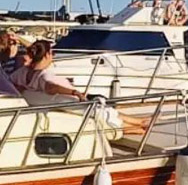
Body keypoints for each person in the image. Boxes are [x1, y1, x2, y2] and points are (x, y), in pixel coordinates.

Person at [10, 40, 148, 134]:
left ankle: (139, 121)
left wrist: (21, 89)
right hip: (71, 104)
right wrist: (75, 92)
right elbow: (51, 88)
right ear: (47, 55)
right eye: (52, 53)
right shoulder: (44, 75)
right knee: (101, 111)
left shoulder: (22, 73)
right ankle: (139, 126)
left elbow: (10, 82)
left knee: (103, 108)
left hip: (57, 103)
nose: (53, 56)